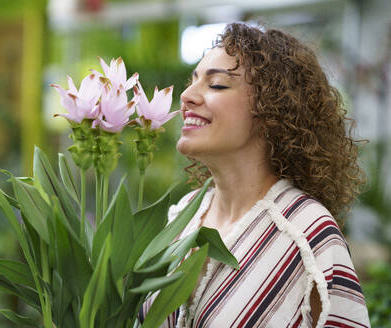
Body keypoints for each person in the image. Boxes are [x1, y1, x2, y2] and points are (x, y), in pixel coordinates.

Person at [139, 22, 370, 328]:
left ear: (273, 110)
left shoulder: (306, 231)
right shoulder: (183, 214)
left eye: (216, 84)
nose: (187, 96)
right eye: (192, 81)